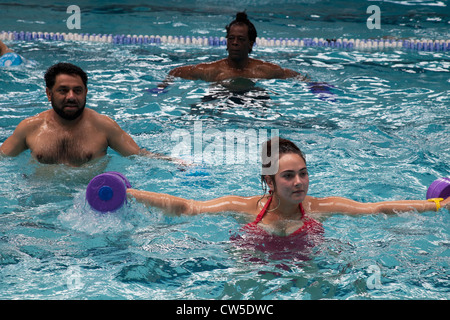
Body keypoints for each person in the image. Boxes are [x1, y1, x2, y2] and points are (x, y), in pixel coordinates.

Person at [127, 137, 449, 238]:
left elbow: (377, 209)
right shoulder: (244, 208)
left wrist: (438, 206)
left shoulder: (319, 208)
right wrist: (127, 194)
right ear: (269, 180)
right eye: (288, 176)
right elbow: (186, 207)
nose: (299, 183)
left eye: (303, 173)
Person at [0, 62, 178, 166]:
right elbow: (3, 159)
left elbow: (139, 156)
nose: (71, 96)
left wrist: (176, 162)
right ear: (49, 93)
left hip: (85, 203)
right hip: (37, 202)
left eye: (77, 90)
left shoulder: (104, 127)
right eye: (63, 90)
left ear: (85, 92)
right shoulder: (30, 128)